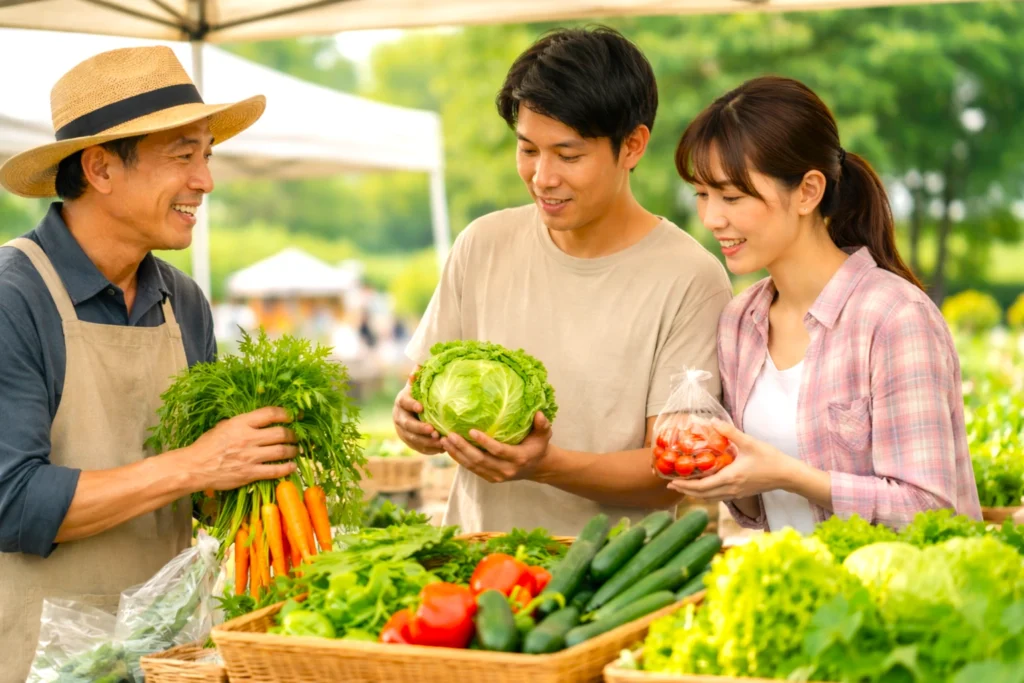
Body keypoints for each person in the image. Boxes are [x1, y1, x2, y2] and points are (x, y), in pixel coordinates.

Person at [0, 47, 299, 680]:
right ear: (101, 168)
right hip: (34, 661)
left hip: (166, 657)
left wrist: (242, 474)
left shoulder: (182, 301)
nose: (206, 181)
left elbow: (195, 495)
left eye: (207, 155)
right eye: (183, 156)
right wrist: (197, 463)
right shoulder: (13, 298)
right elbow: (11, 501)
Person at [392, 27, 733, 535]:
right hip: (472, 565)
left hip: (612, 585)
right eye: (528, 149)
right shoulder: (482, 243)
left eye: (568, 156)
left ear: (633, 146)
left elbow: (670, 472)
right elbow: (420, 383)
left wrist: (545, 464)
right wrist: (412, 420)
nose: (542, 176)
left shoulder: (690, 278)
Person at [667, 75, 982, 532]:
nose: (712, 218)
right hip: (798, 585)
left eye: (732, 197)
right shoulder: (740, 321)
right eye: (702, 194)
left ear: (809, 191)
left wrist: (790, 476)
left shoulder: (894, 318)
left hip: (896, 596)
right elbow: (757, 505)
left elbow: (929, 509)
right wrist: (711, 467)